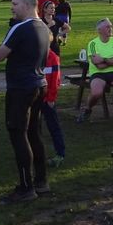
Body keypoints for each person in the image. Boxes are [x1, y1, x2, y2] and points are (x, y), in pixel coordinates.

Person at [0, 0, 52, 204]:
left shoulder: (19, 28)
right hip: (39, 84)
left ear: (27, 5)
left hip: (21, 88)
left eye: (15, 3)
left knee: (18, 134)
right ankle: (41, 180)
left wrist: (0, 45)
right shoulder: (45, 27)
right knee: (34, 132)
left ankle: (26, 187)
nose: (12, 7)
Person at [79, 18, 113, 123]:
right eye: (107, 27)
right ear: (99, 30)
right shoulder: (93, 44)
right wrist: (112, 60)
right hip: (98, 74)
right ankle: (87, 109)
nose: (110, 29)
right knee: (97, 92)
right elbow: (98, 66)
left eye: (111, 26)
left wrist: (104, 60)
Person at [41, 33, 67, 167]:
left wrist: (51, 98)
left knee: (53, 126)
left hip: (47, 99)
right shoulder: (36, 56)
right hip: (36, 97)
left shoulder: (52, 58)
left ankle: (60, 153)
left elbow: (55, 81)